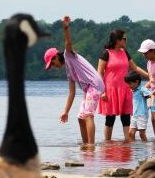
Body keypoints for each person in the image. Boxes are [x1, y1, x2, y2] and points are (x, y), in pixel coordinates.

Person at [44, 15, 104, 145]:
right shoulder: (69, 72)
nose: (54, 66)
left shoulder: (68, 55)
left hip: (94, 84)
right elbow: (71, 93)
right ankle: (85, 145)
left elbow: (68, 42)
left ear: (55, 56)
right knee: (80, 118)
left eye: (52, 63)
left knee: (88, 115)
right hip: (88, 88)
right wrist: (66, 111)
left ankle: (91, 147)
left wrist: (65, 27)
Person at [97, 29, 148, 141]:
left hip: (125, 89)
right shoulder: (106, 53)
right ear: (117, 40)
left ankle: (128, 144)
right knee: (110, 118)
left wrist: (149, 76)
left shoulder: (125, 52)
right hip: (110, 91)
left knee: (126, 118)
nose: (126, 41)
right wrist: (102, 91)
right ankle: (108, 144)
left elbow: (135, 68)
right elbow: (99, 73)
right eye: (124, 39)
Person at [125, 70, 153, 142]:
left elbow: (151, 95)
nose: (129, 86)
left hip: (142, 115)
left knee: (142, 134)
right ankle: (135, 149)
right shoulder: (133, 90)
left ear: (137, 82)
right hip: (134, 115)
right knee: (131, 133)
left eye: (130, 83)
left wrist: (150, 105)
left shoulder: (142, 89)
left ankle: (145, 148)